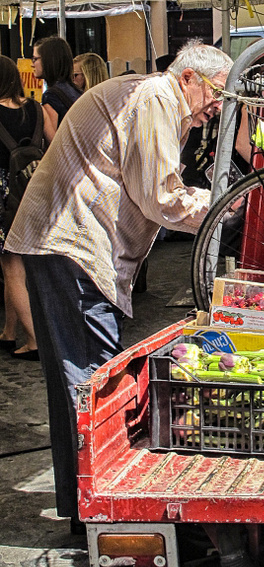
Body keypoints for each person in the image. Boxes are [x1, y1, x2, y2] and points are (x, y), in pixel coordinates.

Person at [5, 40, 232, 530]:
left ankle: (82, 504)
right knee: (88, 379)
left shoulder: (156, 98)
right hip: (72, 244)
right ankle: (97, 506)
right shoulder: (156, 97)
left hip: (71, 244)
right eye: (216, 93)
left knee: (83, 376)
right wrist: (221, 208)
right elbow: (160, 195)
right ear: (189, 77)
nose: (217, 107)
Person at [0, 57, 39, 360]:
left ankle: (34, 339)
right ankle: (9, 331)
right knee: (16, 265)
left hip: (4, 198)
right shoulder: (36, 109)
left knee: (12, 269)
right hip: (33, 192)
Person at [31, 36, 80, 143]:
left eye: (35, 59)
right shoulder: (75, 90)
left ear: (49, 61)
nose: (32, 64)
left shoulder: (52, 96)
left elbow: (52, 141)